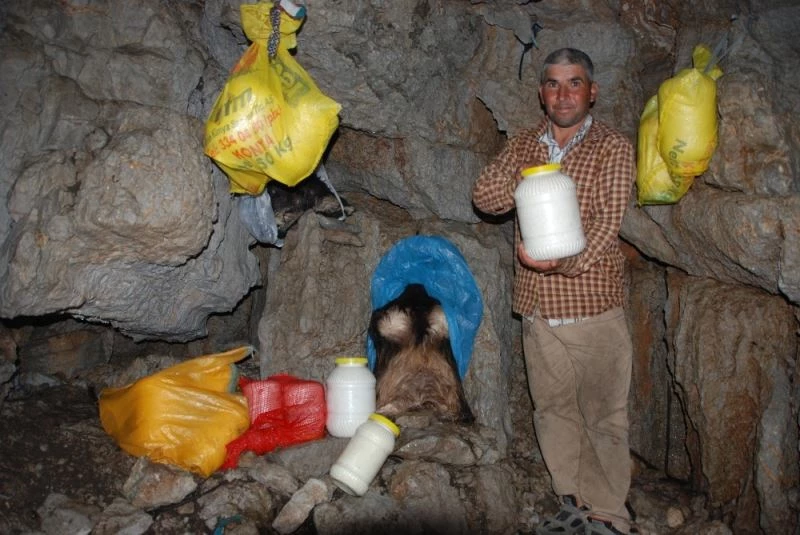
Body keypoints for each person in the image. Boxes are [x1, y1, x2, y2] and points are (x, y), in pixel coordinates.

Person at [472, 48, 636, 535]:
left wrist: (563, 261)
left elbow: (607, 224)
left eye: (575, 83)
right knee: (553, 409)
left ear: (592, 91)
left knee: (605, 416)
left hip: (592, 304)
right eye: (553, 84)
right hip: (538, 306)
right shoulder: (525, 143)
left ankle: (609, 515)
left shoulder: (612, 146)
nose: (563, 94)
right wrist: (528, 175)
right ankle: (574, 502)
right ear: (541, 93)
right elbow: (486, 196)